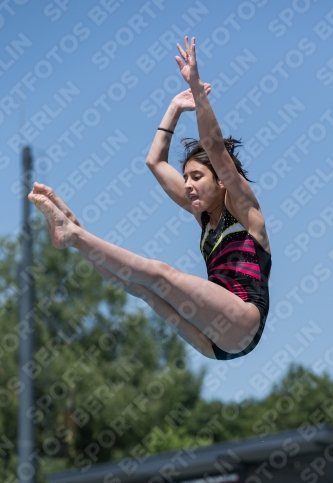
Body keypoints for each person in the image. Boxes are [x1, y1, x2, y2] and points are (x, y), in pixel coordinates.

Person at [28, 37, 271, 360]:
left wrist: (196, 88)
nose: (187, 185)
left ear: (223, 182)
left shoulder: (244, 210)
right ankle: (75, 233)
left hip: (242, 321)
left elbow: (214, 148)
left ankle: (74, 234)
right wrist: (173, 108)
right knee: (141, 288)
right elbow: (154, 162)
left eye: (196, 177)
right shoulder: (202, 216)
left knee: (160, 273)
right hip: (211, 341)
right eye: (185, 178)